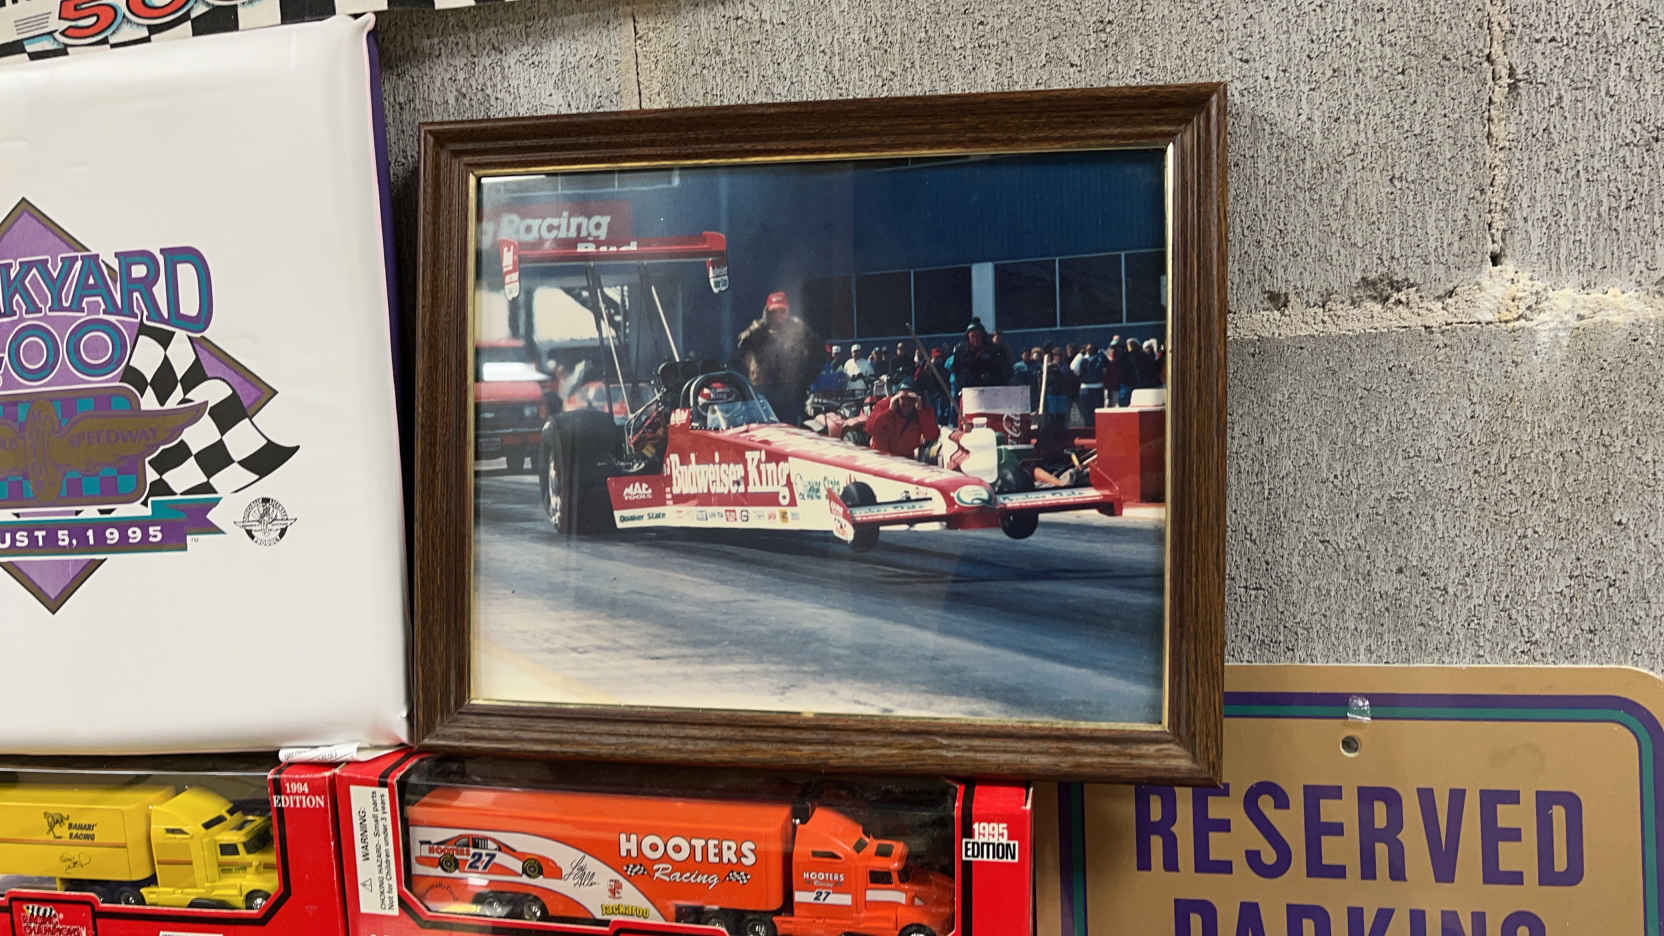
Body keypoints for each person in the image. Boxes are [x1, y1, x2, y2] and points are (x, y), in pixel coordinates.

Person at [736, 291, 820, 423]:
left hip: (788, 391)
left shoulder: (796, 328)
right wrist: (760, 325)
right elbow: (741, 345)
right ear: (767, 312)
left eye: (782, 311)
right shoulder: (758, 330)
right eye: (774, 311)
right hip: (763, 390)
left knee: (789, 427)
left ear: (787, 311)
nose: (779, 315)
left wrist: (805, 380)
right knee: (764, 428)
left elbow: (817, 351)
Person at [865, 377, 940, 459]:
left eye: (911, 398)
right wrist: (889, 411)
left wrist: (921, 412)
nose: (907, 402)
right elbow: (870, 429)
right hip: (880, 458)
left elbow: (932, 436)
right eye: (903, 398)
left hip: (904, 460)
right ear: (897, 398)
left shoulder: (921, 411)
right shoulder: (884, 405)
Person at [949, 319, 1013, 396]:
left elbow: (1002, 370)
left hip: (990, 391)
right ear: (968, 337)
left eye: (978, 336)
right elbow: (957, 370)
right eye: (973, 336)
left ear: (983, 336)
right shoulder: (961, 351)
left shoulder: (992, 350)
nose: (976, 339)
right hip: (969, 391)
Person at [1039, 348, 1078, 422]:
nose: (1058, 357)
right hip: (1051, 395)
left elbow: (1068, 378)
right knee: (1051, 416)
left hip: (1063, 395)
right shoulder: (1048, 367)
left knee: (1063, 416)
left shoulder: (1066, 367)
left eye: (1060, 355)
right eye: (1055, 355)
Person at [1074, 343, 1107, 424]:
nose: (1090, 351)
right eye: (1088, 349)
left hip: (1097, 388)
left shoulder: (1100, 359)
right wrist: (1080, 355)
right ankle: (1088, 428)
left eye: (1092, 349)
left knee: (1098, 412)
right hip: (1085, 389)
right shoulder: (1082, 359)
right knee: (1086, 413)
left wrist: (1102, 352)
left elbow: (1105, 368)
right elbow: (1073, 367)